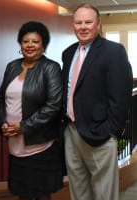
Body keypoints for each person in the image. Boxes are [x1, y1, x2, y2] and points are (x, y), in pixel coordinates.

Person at [61, 3, 133, 200]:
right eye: (78, 22)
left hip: (100, 133)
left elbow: (121, 96)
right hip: (72, 131)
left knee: (104, 194)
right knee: (78, 190)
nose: (83, 26)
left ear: (98, 24)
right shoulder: (68, 53)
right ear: (73, 25)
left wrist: (110, 131)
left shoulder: (114, 51)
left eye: (88, 22)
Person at [0, 21, 64, 200]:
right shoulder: (12, 66)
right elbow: (1, 99)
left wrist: (23, 126)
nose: (30, 45)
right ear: (20, 44)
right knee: (22, 194)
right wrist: (3, 122)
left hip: (40, 146)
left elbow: (54, 105)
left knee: (41, 194)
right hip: (15, 145)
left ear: (43, 45)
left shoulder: (51, 68)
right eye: (25, 41)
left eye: (35, 41)